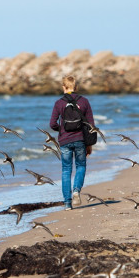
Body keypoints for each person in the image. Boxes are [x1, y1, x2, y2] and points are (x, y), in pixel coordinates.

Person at [49, 75, 95, 210]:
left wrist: (61, 129)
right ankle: (76, 190)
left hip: (64, 140)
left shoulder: (59, 103)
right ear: (76, 87)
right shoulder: (84, 101)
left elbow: (52, 124)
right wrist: (89, 145)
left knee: (66, 170)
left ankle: (67, 204)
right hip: (80, 139)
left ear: (63, 87)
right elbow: (90, 124)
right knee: (81, 166)